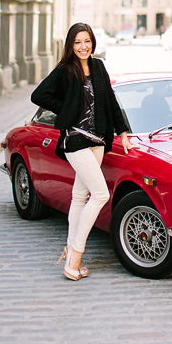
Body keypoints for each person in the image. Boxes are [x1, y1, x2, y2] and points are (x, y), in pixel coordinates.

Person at [31, 22, 132, 281]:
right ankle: (75, 257)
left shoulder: (98, 67)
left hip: (98, 140)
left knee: (79, 196)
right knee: (99, 194)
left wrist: (122, 132)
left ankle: (68, 248)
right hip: (75, 140)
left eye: (86, 41)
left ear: (92, 42)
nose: (83, 46)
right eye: (77, 42)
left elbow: (110, 99)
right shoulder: (65, 70)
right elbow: (39, 94)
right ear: (71, 45)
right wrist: (66, 109)